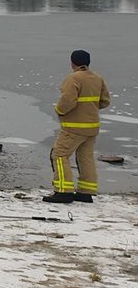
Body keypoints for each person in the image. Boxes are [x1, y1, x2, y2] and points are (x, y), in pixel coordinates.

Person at [44, 50, 111, 204]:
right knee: (85, 157)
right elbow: (105, 101)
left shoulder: (73, 78)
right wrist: (89, 108)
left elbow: (67, 101)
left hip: (73, 127)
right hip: (92, 127)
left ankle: (63, 191)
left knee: (59, 155)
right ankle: (86, 192)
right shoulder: (97, 78)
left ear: (72, 62)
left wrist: (59, 110)